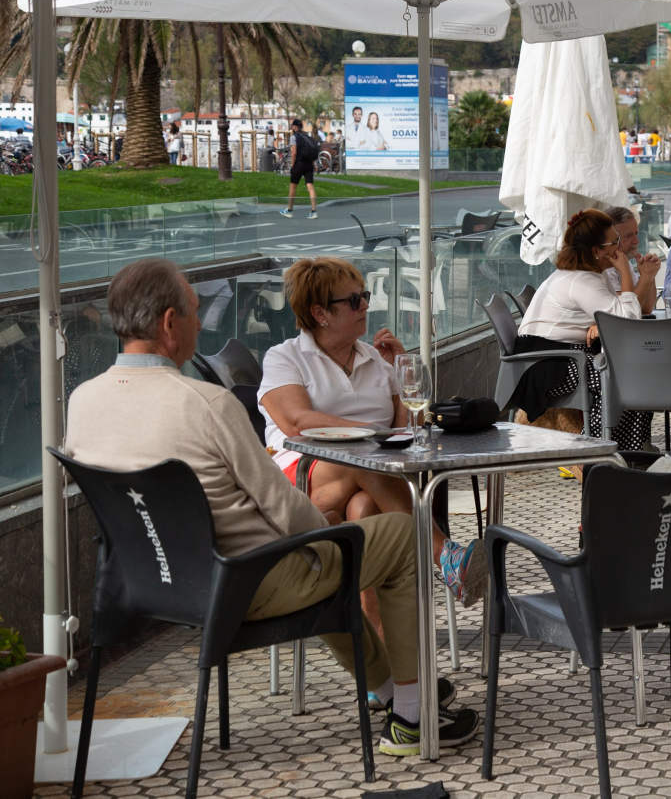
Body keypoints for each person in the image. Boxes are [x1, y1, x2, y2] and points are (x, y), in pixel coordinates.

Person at [65, 258, 481, 756]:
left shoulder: (82, 400)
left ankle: (392, 691)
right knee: (391, 537)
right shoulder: (208, 404)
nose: (201, 325)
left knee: (350, 542)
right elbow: (281, 507)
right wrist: (322, 541)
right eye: (195, 314)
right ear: (170, 324)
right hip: (247, 581)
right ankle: (413, 720)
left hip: (143, 585)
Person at [258, 258, 486, 620]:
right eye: (353, 301)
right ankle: (445, 555)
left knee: (364, 509)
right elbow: (296, 422)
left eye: (363, 296)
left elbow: (407, 430)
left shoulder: (375, 359)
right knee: (365, 462)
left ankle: (382, 657)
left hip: (376, 479)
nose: (366, 305)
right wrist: (372, 437)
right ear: (320, 313)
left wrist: (401, 373)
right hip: (303, 478)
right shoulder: (285, 357)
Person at [512, 210, 652, 449]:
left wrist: (599, 322)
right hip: (545, 363)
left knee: (629, 372)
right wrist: (626, 271)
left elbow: (616, 312)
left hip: (557, 354)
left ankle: (627, 447)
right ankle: (600, 449)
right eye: (614, 241)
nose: (618, 247)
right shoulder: (581, 280)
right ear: (596, 251)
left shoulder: (589, 275)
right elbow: (626, 319)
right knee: (619, 377)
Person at [605, 205, 662, 314]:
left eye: (636, 233)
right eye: (628, 236)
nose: (636, 241)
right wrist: (645, 278)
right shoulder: (606, 267)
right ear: (612, 238)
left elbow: (646, 308)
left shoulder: (623, 260)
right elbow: (626, 314)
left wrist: (650, 275)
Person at [281, 118, 318, 219]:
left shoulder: (294, 137)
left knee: (293, 187)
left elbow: (294, 152)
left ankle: (289, 210)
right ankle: (314, 211)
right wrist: (314, 163)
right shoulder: (308, 136)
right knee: (310, 186)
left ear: (294, 127)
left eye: (292, 126)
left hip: (299, 164)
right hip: (309, 164)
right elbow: (311, 151)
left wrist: (293, 165)